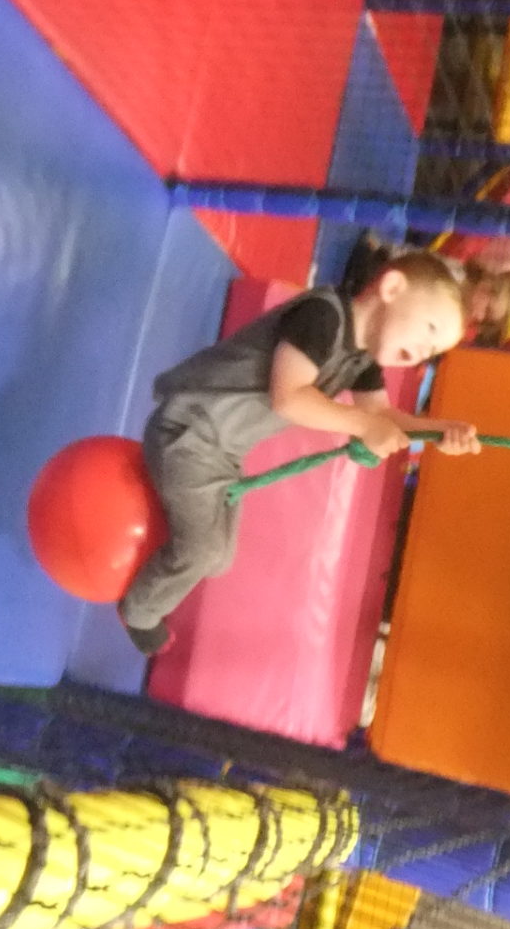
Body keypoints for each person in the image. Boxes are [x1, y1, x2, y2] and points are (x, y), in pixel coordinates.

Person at [118, 243, 481, 655]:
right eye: (430, 330)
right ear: (392, 288)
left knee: (218, 559)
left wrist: (439, 432)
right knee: (204, 551)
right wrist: (365, 425)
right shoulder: (322, 317)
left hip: (222, 452)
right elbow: (288, 397)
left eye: (434, 351)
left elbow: (383, 414)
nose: (425, 352)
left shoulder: (361, 360)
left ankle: (163, 534)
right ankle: (138, 612)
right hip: (190, 429)